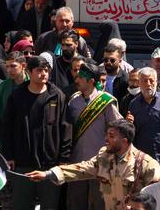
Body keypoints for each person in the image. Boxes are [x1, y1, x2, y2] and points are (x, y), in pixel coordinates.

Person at [25, 120, 160, 210]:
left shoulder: (146, 165)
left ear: (125, 141)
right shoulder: (104, 157)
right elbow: (81, 169)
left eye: (111, 136)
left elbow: (158, 199)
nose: (106, 139)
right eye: (107, 134)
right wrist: (48, 174)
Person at [3, 55, 71, 210]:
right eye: (39, 70)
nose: (43, 74)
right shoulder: (17, 95)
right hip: (22, 162)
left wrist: (63, 159)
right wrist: (9, 155)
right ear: (29, 71)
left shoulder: (57, 96)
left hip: (50, 164)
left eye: (46, 70)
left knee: (50, 205)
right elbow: (7, 127)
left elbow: (65, 128)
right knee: (21, 205)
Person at [65, 61, 121, 210]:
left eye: (80, 78)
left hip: (101, 163)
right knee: (76, 203)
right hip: (77, 162)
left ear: (90, 81)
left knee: (100, 203)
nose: (76, 80)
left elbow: (119, 129)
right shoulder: (73, 100)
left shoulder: (106, 102)